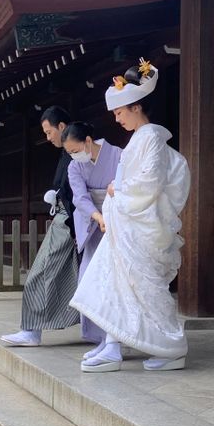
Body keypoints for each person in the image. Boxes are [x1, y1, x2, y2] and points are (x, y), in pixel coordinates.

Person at [70, 58, 191, 372]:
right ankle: (111, 346)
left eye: (120, 112)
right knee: (114, 285)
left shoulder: (150, 137)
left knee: (144, 290)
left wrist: (116, 191)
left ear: (136, 107)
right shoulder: (140, 138)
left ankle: (171, 346)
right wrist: (117, 190)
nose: (116, 118)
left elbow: (149, 183)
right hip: (127, 226)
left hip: (139, 226)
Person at [1, 106, 79, 346]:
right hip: (67, 220)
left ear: (62, 127)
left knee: (42, 273)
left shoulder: (76, 154)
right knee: (63, 275)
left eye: (48, 132)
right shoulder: (68, 154)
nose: (47, 138)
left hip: (70, 222)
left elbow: (81, 195)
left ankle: (31, 330)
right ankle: (32, 328)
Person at [61, 120, 122, 348]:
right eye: (69, 153)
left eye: (75, 151)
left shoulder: (118, 155)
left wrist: (110, 214)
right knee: (89, 277)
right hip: (94, 223)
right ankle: (97, 335)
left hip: (117, 219)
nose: (73, 156)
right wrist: (98, 217)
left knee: (115, 279)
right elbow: (79, 197)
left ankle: (116, 334)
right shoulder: (74, 166)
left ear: (88, 141)